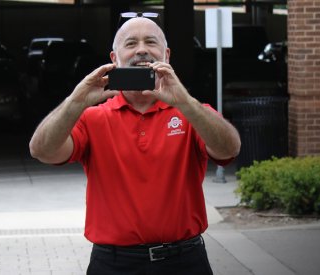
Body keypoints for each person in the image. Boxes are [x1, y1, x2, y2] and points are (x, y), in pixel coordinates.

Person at [29, 15, 241, 275]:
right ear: (114, 58)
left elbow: (229, 148)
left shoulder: (192, 113)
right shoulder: (92, 117)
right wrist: (76, 101)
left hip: (185, 260)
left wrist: (184, 102)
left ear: (167, 54)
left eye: (150, 42)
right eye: (131, 43)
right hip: (113, 263)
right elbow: (41, 150)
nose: (141, 49)